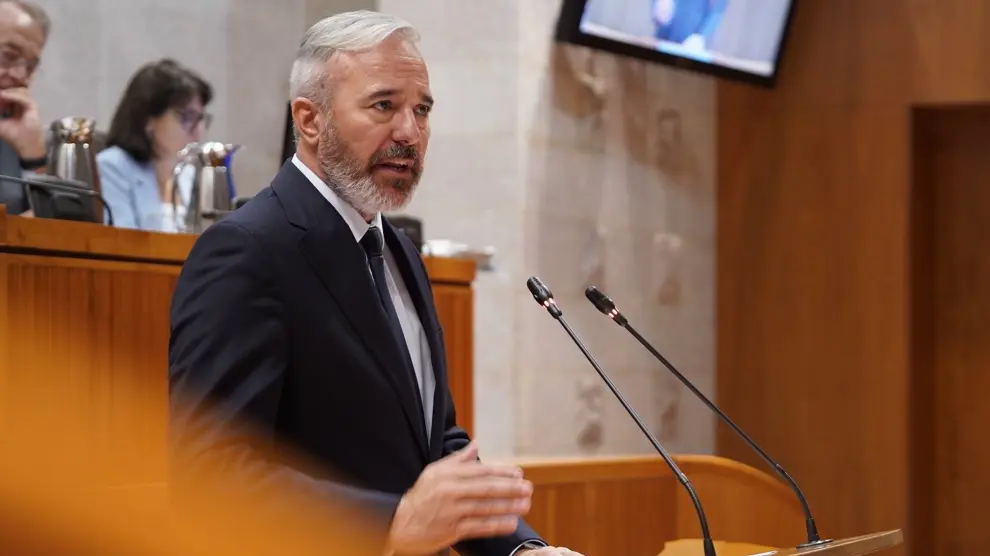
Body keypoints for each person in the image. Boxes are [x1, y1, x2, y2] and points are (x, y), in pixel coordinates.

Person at [168, 10, 582, 556]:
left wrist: (523, 550)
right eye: (384, 105)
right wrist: (392, 521)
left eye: (423, 109)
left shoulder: (399, 251)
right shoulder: (248, 250)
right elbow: (210, 475)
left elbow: (433, 442)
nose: (409, 132)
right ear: (310, 120)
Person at [97, 58, 212, 231]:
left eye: (201, 119)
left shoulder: (192, 174)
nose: (199, 131)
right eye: (188, 117)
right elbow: (122, 242)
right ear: (149, 119)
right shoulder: (112, 166)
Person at [0, 0, 49, 217]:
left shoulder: (14, 131)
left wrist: (33, 158)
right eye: (8, 56)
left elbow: (50, 226)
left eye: (30, 66)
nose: (21, 76)